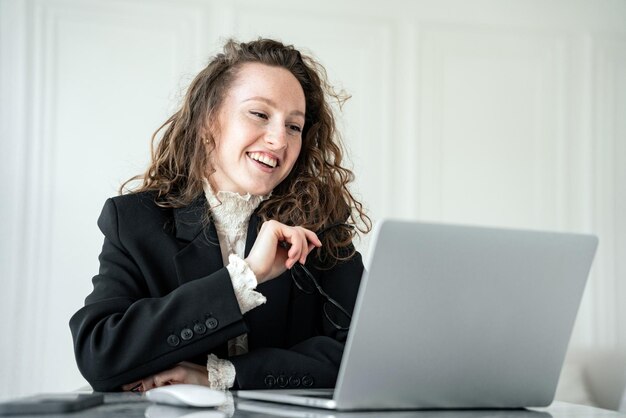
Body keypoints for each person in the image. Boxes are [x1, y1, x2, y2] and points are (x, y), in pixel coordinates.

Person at [69, 38, 371, 392]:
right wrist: (244, 278)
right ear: (209, 121)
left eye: (294, 126)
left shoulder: (321, 220)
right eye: (259, 114)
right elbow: (100, 355)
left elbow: (363, 357)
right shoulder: (134, 221)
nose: (279, 139)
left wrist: (225, 375)